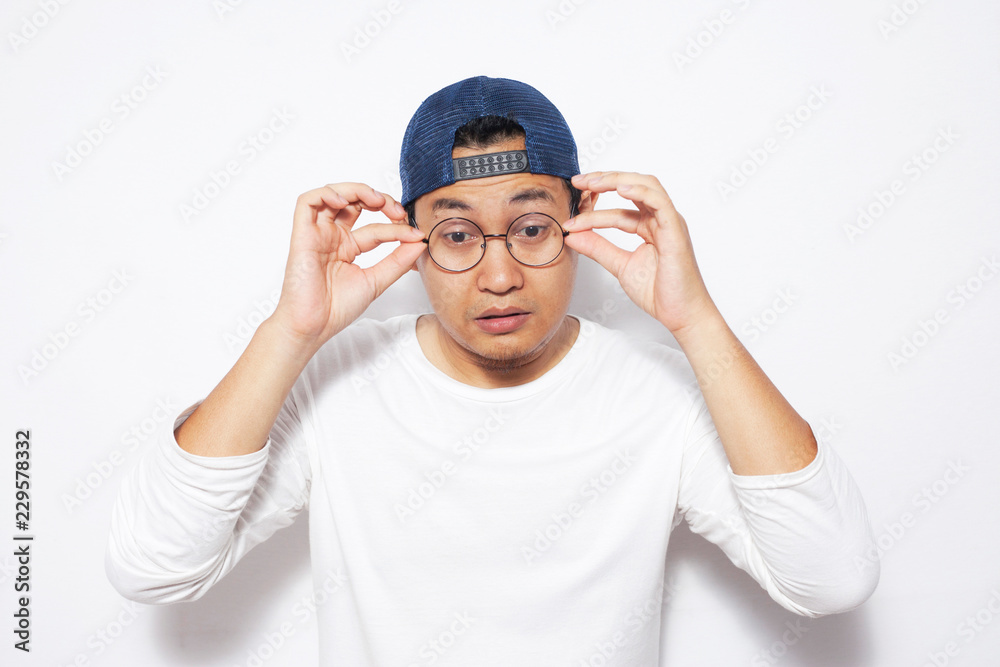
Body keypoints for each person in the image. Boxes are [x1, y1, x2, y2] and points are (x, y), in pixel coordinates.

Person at [106, 75, 879, 665]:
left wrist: (696, 321)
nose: (500, 275)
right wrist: (290, 330)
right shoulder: (334, 385)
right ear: (412, 242)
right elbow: (151, 566)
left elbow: (834, 578)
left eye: (532, 227)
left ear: (578, 226)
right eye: (457, 235)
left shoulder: (659, 390)